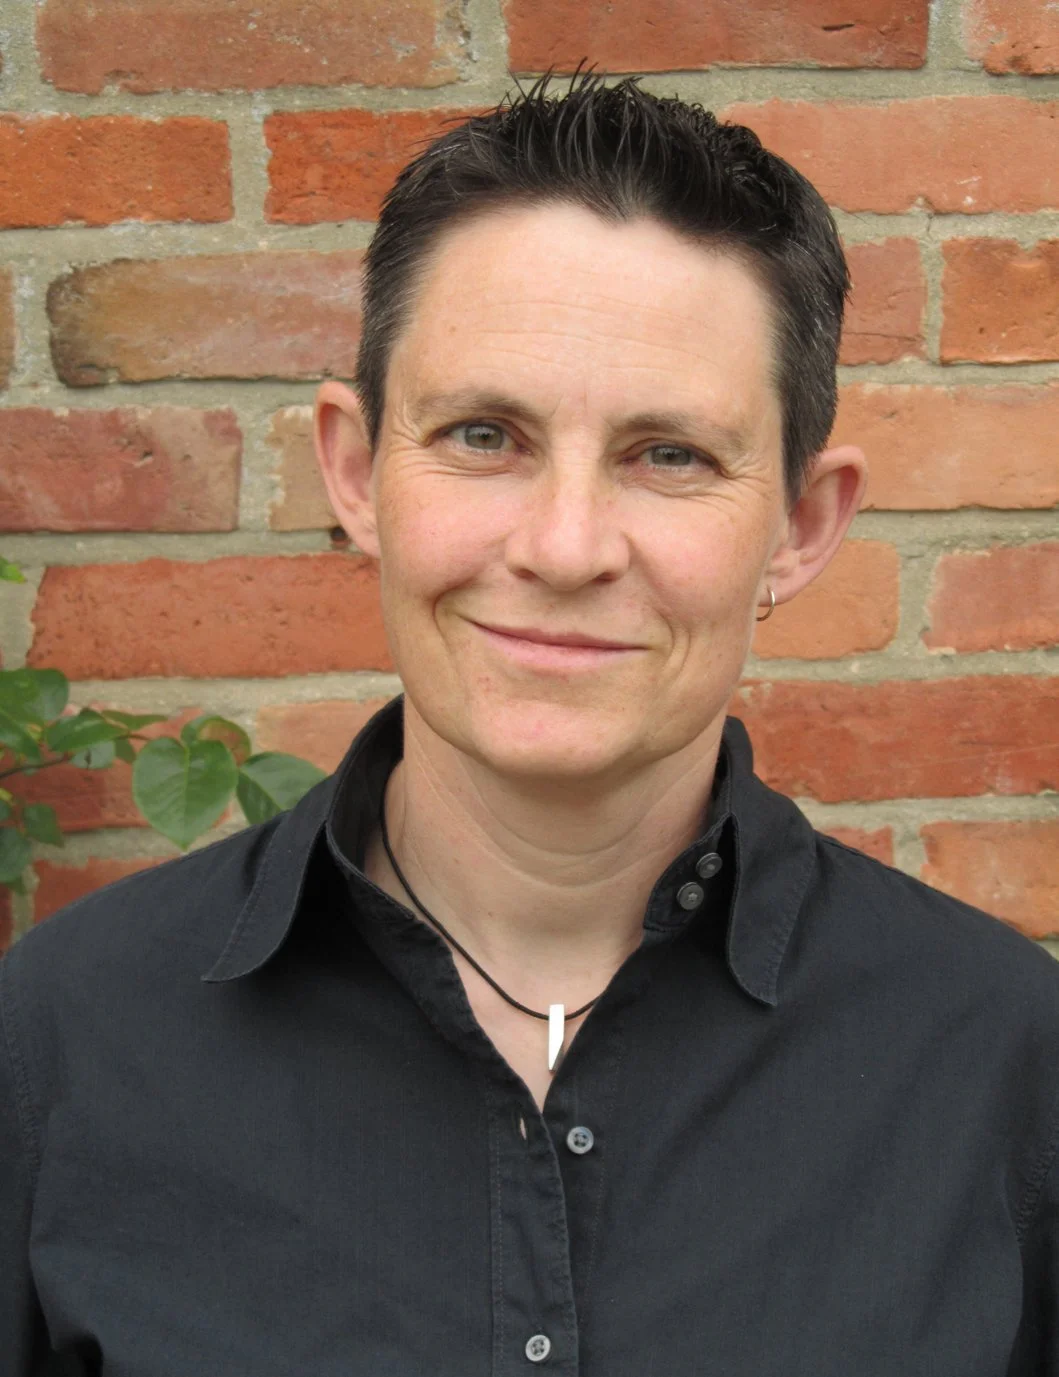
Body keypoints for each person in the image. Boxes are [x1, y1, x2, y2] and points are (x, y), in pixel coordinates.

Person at [2, 73, 1057, 1376]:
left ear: (798, 526)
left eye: (669, 454)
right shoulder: (62, 1039)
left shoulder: (1008, 1063)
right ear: (355, 471)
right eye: (483, 435)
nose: (564, 547)